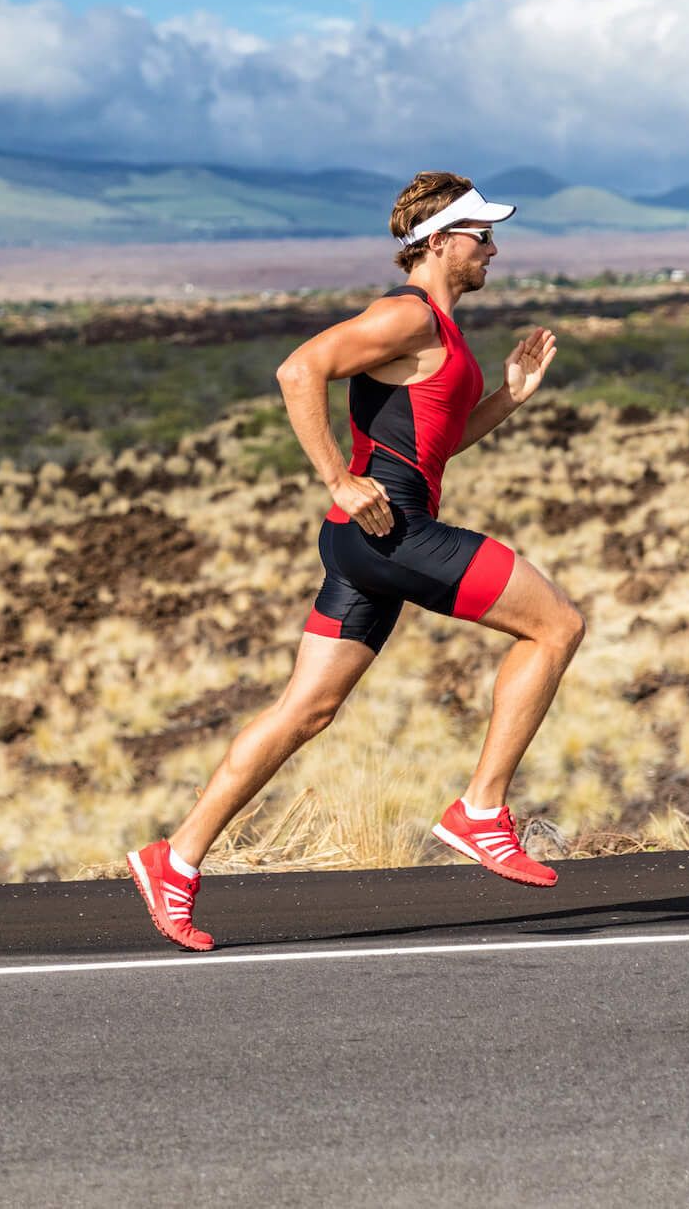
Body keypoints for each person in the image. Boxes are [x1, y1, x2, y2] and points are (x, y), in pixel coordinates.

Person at [127, 171, 585, 951]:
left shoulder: (437, 328)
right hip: (387, 530)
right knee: (556, 626)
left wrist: (507, 397)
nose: (494, 249)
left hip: (367, 539)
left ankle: (174, 858)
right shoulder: (404, 316)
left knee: (305, 709)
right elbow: (297, 370)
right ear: (439, 242)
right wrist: (340, 478)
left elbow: (433, 446)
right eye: (481, 237)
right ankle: (480, 808)